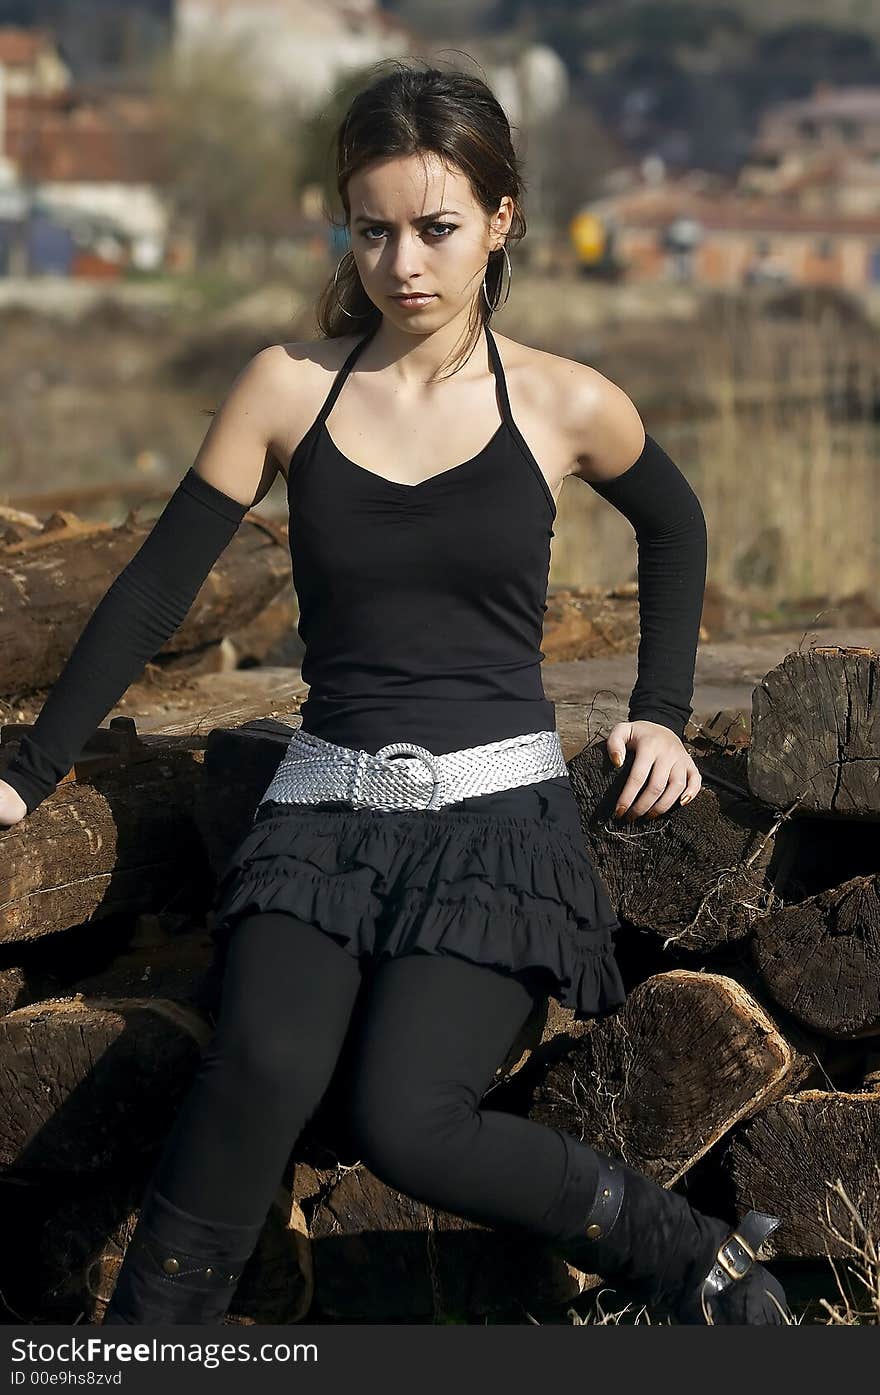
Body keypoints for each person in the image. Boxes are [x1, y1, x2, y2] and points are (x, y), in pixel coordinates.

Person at [0, 61, 791, 1328]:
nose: (402, 262)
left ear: (501, 220)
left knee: (408, 1122)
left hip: (497, 831)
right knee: (256, 1066)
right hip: (320, 821)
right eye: (371, 229)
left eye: (435, 228)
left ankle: (695, 1259)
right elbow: (153, 594)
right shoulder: (286, 385)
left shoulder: (560, 399)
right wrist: (25, 772)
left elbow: (676, 526)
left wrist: (663, 706)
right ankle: (148, 1346)